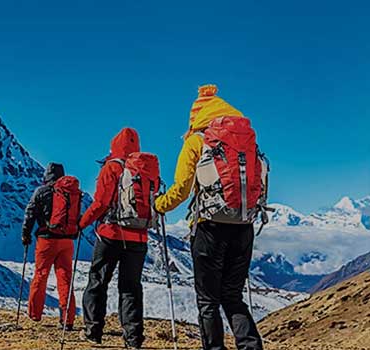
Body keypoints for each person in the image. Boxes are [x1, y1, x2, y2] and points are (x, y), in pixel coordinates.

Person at [153, 85, 264, 350]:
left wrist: (160, 205)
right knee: (233, 296)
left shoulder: (197, 141)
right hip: (244, 226)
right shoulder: (248, 142)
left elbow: (181, 189)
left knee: (207, 301)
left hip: (210, 229)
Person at [77, 127, 149, 348]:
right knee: (131, 287)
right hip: (138, 237)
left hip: (111, 234)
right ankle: (133, 338)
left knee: (98, 281)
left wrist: (82, 223)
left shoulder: (112, 167)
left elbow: (100, 203)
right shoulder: (144, 168)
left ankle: (93, 331)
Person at [19, 163, 77, 330]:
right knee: (65, 278)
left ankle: (35, 314)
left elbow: (30, 214)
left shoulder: (41, 191)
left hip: (46, 240)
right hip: (67, 241)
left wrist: (25, 234)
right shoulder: (69, 193)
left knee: (41, 275)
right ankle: (68, 319)